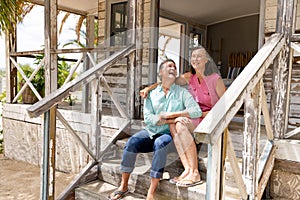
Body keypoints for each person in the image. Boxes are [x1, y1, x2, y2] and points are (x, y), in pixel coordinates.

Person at [109, 59, 202, 200]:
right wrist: (169, 120)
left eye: (174, 67)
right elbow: (149, 119)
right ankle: (123, 186)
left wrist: (174, 115)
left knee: (161, 144)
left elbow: (197, 111)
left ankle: (151, 193)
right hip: (151, 131)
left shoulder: (182, 93)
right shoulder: (151, 94)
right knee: (132, 142)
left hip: (169, 134)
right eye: (169, 66)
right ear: (161, 72)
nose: (173, 68)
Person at [140, 45, 226, 187]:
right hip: (197, 116)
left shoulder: (215, 79)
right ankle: (188, 170)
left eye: (199, 56)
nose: (195, 59)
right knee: (173, 123)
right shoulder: (189, 77)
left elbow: (224, 105)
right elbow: (166, 80)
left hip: (211, 117)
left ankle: (195, 172)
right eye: (193, 56)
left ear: (206, 60)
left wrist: (205, 114)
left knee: (179, 122)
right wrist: (149, 88)